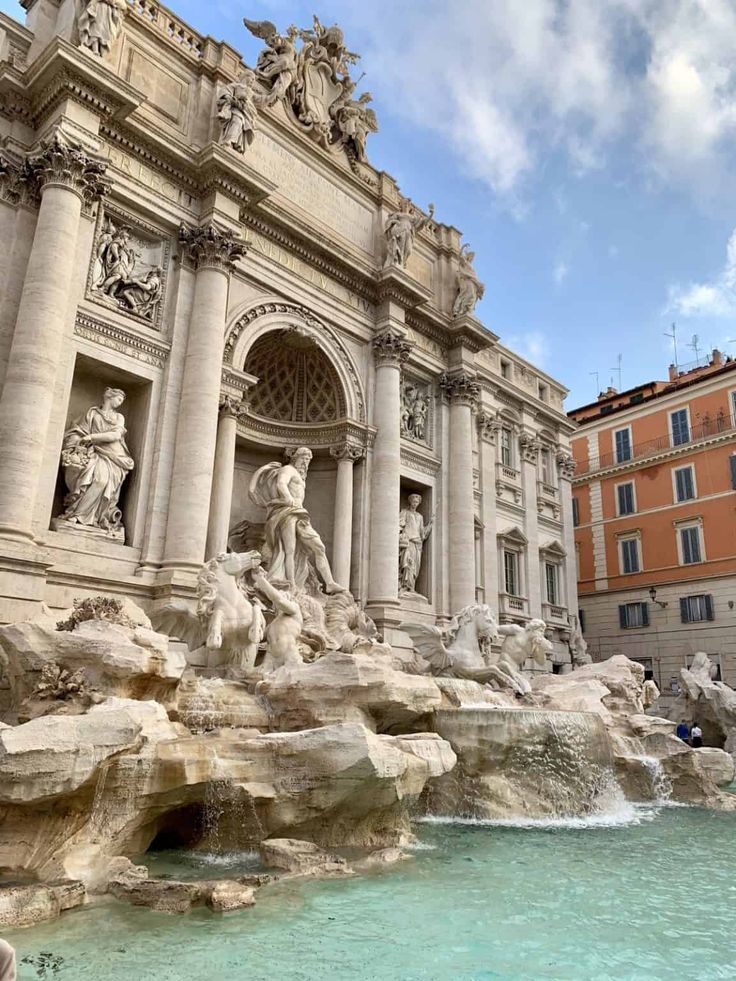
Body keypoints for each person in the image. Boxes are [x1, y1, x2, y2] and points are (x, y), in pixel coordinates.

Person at [249, 447, 345, 594]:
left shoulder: (301, 476)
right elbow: (281, 483)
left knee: (319, 547)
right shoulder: (288, 469)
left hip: (300, 514)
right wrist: (288, 498)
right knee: (290, 550)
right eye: (303, 458)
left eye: (308, 460)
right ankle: (291, 584)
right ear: (295, 458)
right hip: (287, 512)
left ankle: (330, 583)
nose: (306, 462)